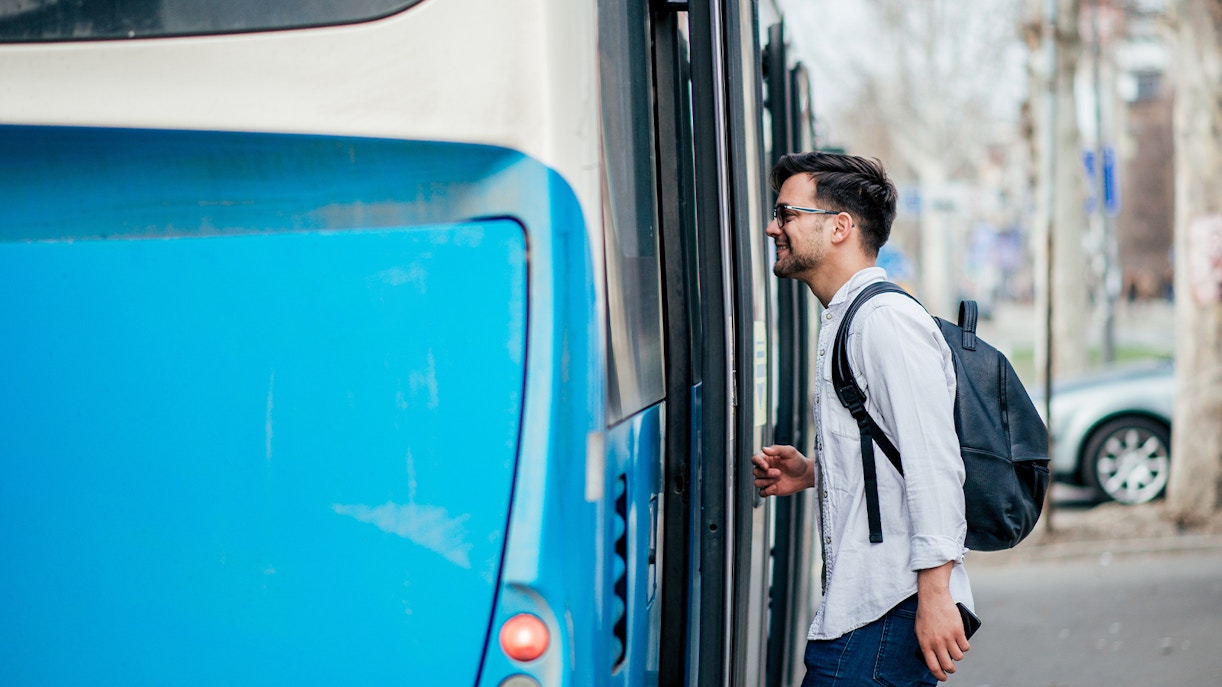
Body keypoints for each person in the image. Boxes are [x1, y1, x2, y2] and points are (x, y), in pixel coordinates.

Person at [752, 152, 973, 685]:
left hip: (887, 607)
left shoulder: (884, 322)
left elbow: (934, 462)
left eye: (786, 214)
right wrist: (815, 471)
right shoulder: (852, 316)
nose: (771, 227)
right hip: (869, 607)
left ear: (840, 227)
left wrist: (937, 594)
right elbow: (888, 448)